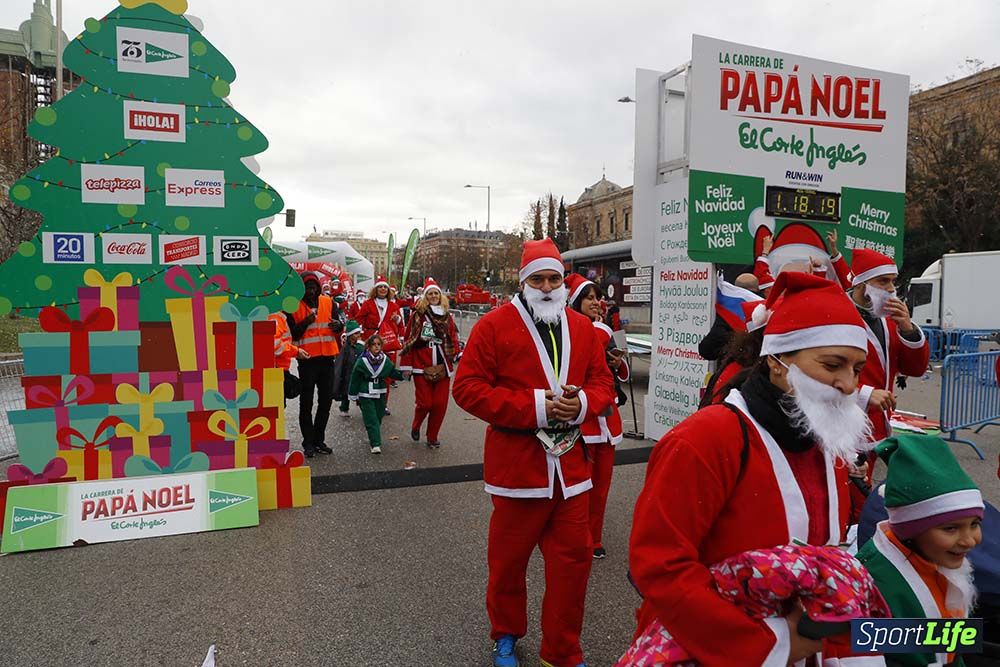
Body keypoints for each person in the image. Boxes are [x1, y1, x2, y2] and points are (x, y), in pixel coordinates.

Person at [629, 272, 875, 666]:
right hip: (715, 648)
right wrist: (772, 645)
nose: (849, 384)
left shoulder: (823, 437)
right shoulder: (706, 439)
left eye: (859, 369)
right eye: (833, 365)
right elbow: (659, 566)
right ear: (778, 362)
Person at [453, 239, 615, 667]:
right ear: (523, 282)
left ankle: (562, 650)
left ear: (564, 281)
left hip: (572, 470)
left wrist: (582, 405)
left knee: (573, 565)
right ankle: (505, 634)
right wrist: (536, 407)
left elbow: (602, 382)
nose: (546, 286)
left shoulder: (582, 328)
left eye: (553, 278)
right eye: (537, 279)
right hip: (517, 471)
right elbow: (466, 389)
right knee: (508, 564)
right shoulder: (493, 326)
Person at [849, 435, 984, 667]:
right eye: (951, 528)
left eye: (975, 524)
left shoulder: (933, 557)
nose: (970, 540)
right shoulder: (871, 588)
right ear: (911, 529)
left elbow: (951, 646)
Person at [565, 274, 629, 561]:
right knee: (581, 487)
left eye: (596, 297)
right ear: (576, 302)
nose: (595, 302)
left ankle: (595, 537)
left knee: (601, 488)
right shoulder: (569, 331)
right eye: (589, 298)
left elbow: (617, 373)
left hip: (607, 421)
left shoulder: (603, 330)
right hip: (583, 421)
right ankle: (578, 537)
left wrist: (616, 362)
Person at [847, 248, 930, 444]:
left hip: (879, 425)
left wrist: (908, 330)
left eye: (893, 280)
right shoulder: (835, 313)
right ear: (861, 284)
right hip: (842, 426)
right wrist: (864, 394)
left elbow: (915, 369)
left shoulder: (890, 318)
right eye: (883, 281)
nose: (892, 288)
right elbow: (812, 375)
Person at [400, 277, 460, 448]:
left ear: (440, 296)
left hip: (443, 364)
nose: (433, 296)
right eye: (430, 293)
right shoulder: (417, 315)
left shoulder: (447, 315)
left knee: (440, 405)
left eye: (436, 293)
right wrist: (407, 366)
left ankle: (432, 437)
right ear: (425, 296)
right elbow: (408, 339)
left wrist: (457, 353)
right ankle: (416, 424)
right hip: (421, 364)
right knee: (425, 403)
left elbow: (452, 337)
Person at [288, 272, 343, 458]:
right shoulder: (293, 306)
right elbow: (293, 335)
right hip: (307, 361)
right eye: (307, 288)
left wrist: (339, 326)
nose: (311, 291)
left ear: (319, 287)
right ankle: (308, 442)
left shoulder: (328, 302)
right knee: (306, 403)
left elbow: (338, 324)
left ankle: (319, 439)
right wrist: (306, 322)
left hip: (327, 359)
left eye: (314, 287)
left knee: (326, 402)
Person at [348, 334, 407, 454]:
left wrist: (403, 375)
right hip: (366, 392)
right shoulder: (362, 361)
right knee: (371, 418)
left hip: (380, 391)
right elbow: (355, 378)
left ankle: (373, 433)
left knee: (379, 416)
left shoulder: (385, 360)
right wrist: (353, 394)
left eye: (379, 344)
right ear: (368, 346)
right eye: (374, 344)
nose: (376, 347)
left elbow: (392, 372)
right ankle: (375, 444)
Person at [356, 276, 405, 414]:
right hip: (371, 341)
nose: (383, 289)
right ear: (375, 289)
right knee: (368, 372)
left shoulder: (394, 306)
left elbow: (401, 326)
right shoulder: (368, 304)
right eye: (380, 287)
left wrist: (398, 322)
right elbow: (358, 319)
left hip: (388, 344)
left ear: (388, 290)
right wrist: (357, 334)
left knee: (386, 375)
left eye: (385, 287)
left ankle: (383, 404)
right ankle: (366, 400)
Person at [698, 272, 759, 361]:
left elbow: (707, 350)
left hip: (736, 369)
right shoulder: (767, 309)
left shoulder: (728, 311)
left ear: (734, 289)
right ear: (757, 288)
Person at [268, 311, 310, 405]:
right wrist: (296, 351)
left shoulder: (275, 315)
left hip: (275, 369)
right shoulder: (276, 317)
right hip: (276, 370)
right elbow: (274, 345)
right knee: (276, 409)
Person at [332, 320, 364, 418]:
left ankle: (364, 408)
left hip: (358, 373)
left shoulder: (361, 346)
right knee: (346, 392)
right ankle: (344, 407)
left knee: (361, 392)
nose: (358, 335)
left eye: (359, 333)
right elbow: (340, 361)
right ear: (350, 335)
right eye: (356, 333)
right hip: (348, 373)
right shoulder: (346, 348)